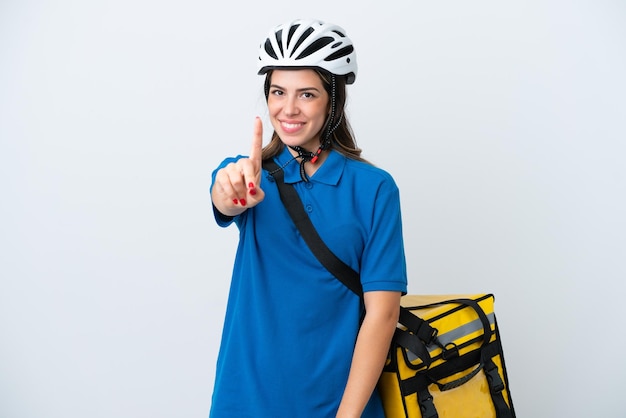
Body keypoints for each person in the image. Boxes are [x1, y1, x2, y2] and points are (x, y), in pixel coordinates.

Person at [209, 19, 407, 418]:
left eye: (307, 94)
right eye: (278, 92)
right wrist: (230, 192)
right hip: (244, 400)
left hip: (339, 405)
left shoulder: (374, 188)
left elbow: (383, 313)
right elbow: (225, 197)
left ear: (333, 101)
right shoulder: (248, 172)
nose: (289, 108)